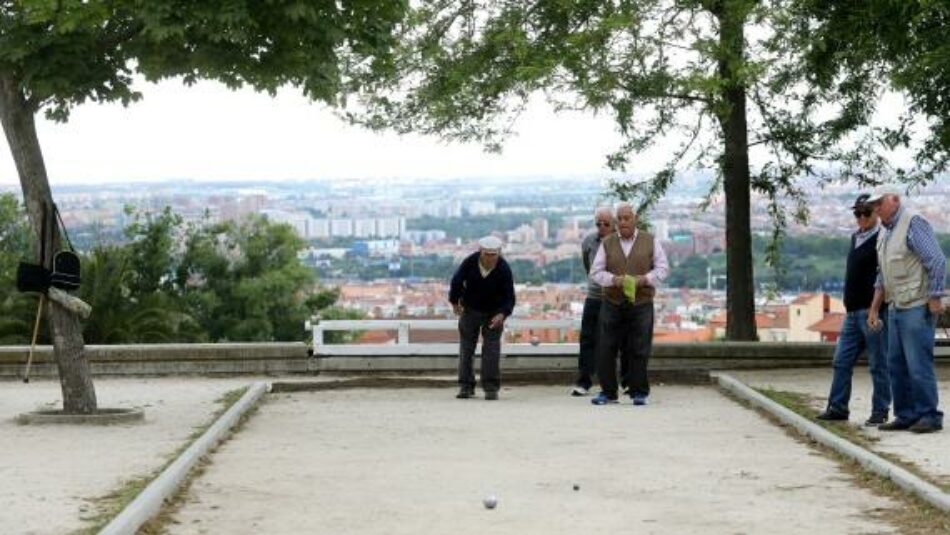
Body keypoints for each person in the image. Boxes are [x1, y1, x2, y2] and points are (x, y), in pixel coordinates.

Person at [866, 192, 946, 433]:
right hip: (896, 306)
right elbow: (883, 274)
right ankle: (906, 414)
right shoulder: (884, 231)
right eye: (874, 205)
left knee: (918, 364)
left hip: (916, 304)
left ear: (895, 200)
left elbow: (937, 260)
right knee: (896, 364)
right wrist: (874, 307)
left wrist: (934, 296)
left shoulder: (913, 223)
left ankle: (929, 415)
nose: (876, 208)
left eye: (880, 203)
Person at [816, 194, 891, 426]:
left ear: (876, 213)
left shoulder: (882, 239)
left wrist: (875, 308)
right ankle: (838, 407)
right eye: (857, 213)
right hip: (852, 312)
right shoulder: (855, 238)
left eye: (865, 213)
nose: (860, 217)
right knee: (841, 360)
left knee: (879, 363)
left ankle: (880, 411)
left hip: (872, 311)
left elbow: (884, 276)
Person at [588, 202, 668, 405]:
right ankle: (608, 392)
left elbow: (663, 269)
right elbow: (595, 272)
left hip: (641, 302)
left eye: (627, 218)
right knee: (606, 347)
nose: (623, 222)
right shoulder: (607, 243)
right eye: (620, 219)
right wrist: (613, 280)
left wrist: (645, 279)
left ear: (635, 220)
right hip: (612, 302)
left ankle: (639, 391)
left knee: (639, 347)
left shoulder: (650, 241)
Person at [449, 235, 516, 401]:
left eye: (494, 254)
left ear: (499, 253)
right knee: (466, 349)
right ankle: (466, 385)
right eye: (487, 254)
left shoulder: (503, 268)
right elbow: (456, 282)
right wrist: (454, 302)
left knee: (492, 351)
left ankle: (491, 387)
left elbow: (509, 296)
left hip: (494, 313)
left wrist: (503, 313)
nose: (490, 258)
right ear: (480, 252)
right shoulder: (469, 262)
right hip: (470, 309)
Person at [572, 206, 614, 396]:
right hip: (594, 296)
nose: (602, 227)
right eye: (599, 223)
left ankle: (622, 381)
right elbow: (587, 266)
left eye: (606, 223)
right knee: (587, 338)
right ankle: (584, 380)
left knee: (617, 339)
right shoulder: (589, 241)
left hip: (615, 297)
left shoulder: (621, 242)